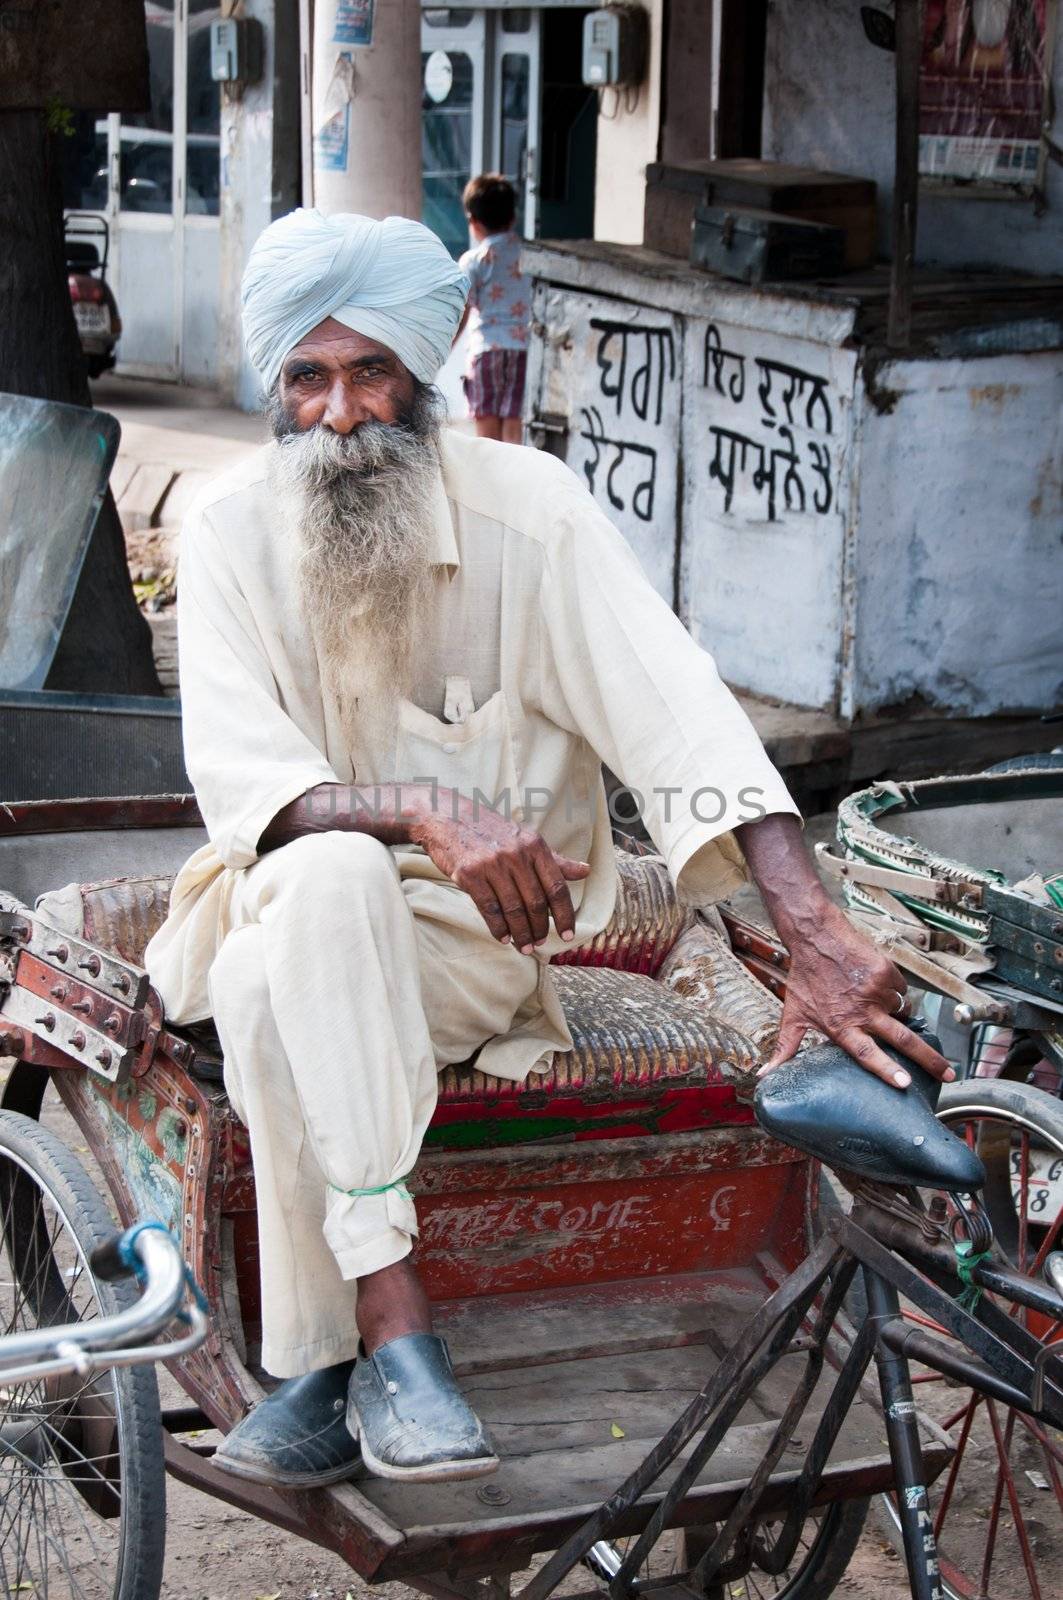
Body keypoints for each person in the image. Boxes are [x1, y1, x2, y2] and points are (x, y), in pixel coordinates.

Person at [145, 206, 954, 1493]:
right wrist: (424, 807)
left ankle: (315, 1366)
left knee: (265, 989)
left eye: (372, 374)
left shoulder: (530, 514)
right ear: (274, 384)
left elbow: (676, 706)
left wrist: (811, 931)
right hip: (268, 905)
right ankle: (397, 1324)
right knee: (315, 885)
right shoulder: (231, 530)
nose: (341, 413)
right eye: (307, 377)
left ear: (423, 377)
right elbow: (250, 785)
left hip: (466, 965)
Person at [457, 173, 529, 443]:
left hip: (486, 352)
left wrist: (443, 350)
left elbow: (461, 315)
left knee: (487, 437)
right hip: (524, 350)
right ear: (513, 217)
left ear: (473, 222)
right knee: (515, 427)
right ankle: (515, 484)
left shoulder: (474, 261)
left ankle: (489, 484)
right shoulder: (532, 256)